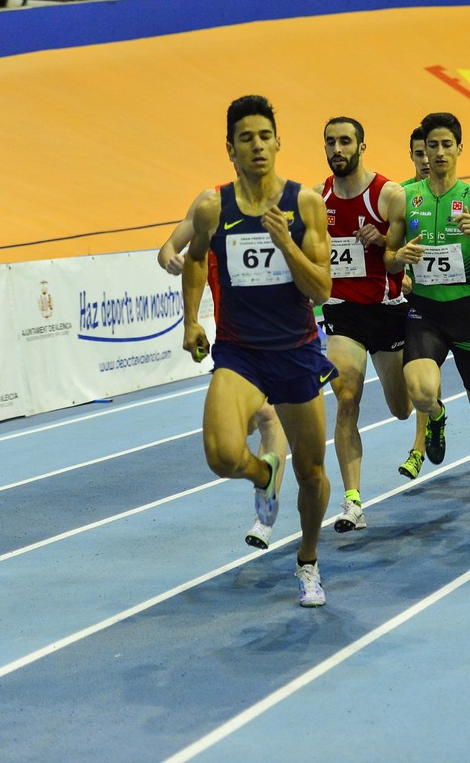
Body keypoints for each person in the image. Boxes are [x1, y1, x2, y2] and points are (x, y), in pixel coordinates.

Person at [181, 95, 336, 608]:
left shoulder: (305, 204)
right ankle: (263, 473)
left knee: (313, 472)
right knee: (222, 455)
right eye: (245, 138)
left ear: (278, 142)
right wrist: (191, 321)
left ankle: (308, 560)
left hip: (295, 352)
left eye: (264, 136)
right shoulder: (213, 206)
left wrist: (286, 244)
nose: (257, 146)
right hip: (240, 354)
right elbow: (197, 259)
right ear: (230, 148)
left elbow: (320, 291)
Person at [384, 112, 470, 522]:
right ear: (422, 151)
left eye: (447, 145)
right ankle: (438, 417)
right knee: (420, 392)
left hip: (468, 315)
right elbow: (388, 263)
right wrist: (399, 259)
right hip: (425, 312)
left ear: (459, 148)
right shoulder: (407, 199)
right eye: (432, 146)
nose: (439, 153)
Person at [315, 117, 432, 531]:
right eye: (330, 142)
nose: (337, 150)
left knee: (402, 408)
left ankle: (432, 412)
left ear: (362, 147)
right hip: (343, 313)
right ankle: (352, 502)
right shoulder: (318, 198)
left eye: (345, 142)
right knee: (346, 399)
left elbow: (411, 247)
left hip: (387, 311)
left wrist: (384, 242)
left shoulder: (389, 195)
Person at [158, 191, 289, 550]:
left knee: (268, 415)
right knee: (239, 430)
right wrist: (170, 257)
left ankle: (266, 509)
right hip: (233, 342)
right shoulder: (211, 204)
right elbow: (169, 247)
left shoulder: (289, 202)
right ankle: (263, 471)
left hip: (280, 338)